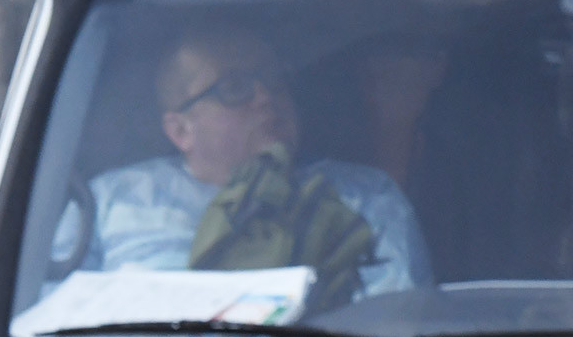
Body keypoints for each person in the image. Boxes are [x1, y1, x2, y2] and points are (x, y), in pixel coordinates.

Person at [82, 29, 431, 307]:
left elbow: (398, 328)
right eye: (235, 88)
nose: (265, 97)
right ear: (180, 130)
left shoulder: (365, 197)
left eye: (274, 80)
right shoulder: (106, 201)